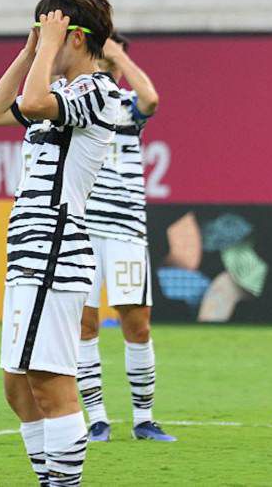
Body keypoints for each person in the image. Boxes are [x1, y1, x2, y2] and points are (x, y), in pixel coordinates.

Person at [0, 0, 117, 486]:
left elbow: (34, 101)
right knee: (17, 388)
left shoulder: (97, 89)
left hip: (56, 250)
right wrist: (26, 52)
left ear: (74, 37)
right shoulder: (60, 92)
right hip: (31, 254)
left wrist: (47, 47)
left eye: (48, 30)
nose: (42, 40)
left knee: (51, 383)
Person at [76, 32, 175, 442]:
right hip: (80, 229)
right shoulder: (76, 103)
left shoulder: (125, 107)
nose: (109, 62)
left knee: (137, 325)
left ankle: (143, 418)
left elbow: (151, 100)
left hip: (126, 231)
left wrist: (119, 56)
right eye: (104, 54)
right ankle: (97, 418)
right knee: (84, 325)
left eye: (113, 57)